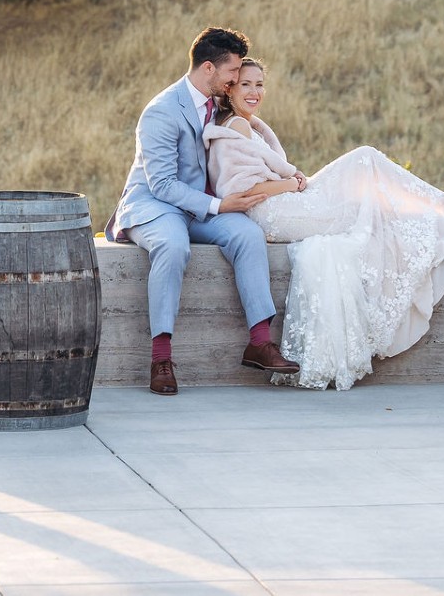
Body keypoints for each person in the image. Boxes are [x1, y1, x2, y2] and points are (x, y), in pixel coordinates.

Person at [203, 57, 444, 390]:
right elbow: (242, 190)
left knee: (370, 179)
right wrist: (289, 184)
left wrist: (291, 183)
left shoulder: (247, 124)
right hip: (276, 213)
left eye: (259, 84)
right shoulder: (236, 127)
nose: (254, 92)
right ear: (229, 88)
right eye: (245, 84)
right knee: (367, 169)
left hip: (286, 202)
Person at [107, 27, 301, 395]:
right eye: (232, 73)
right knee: (172, 245)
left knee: (246, 234)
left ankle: (260, 341)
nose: (236, 81)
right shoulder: (161, 111)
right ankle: (161, 357)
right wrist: (219, 205)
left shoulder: (219, 104)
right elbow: (162, 184)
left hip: (200, 206)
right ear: (209, 68)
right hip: (156, 205)